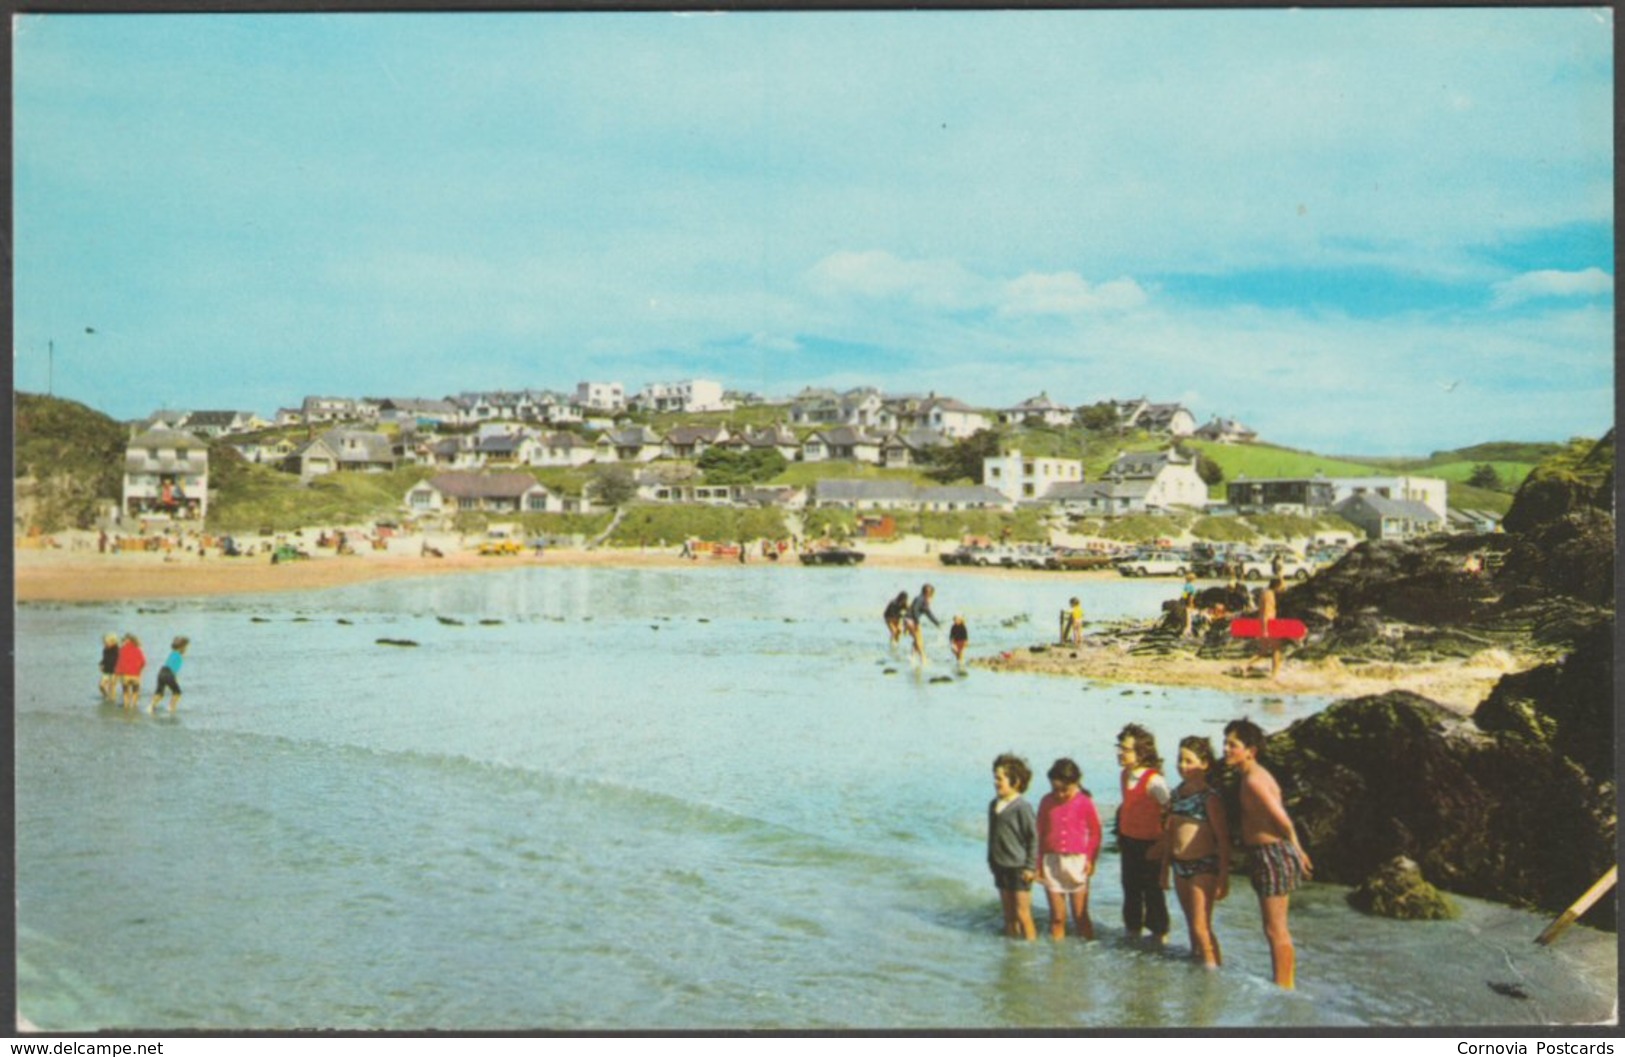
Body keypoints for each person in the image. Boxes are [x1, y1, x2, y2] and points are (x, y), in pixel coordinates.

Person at [1224, 718, 1313, 989]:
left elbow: (1282, 819)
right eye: (1225, 743)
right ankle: (1284, 984)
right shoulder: (1253, 774)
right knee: (1275, 928)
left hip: (1271, 854)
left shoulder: (1253, 780)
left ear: (1251, 750)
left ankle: (1284, 988)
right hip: (1269, 854)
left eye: (1233, 745)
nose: (1226, 749)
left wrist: (1297, 849)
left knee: (1276, 929)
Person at [1160, 735, 1231, 968]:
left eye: (1189, 761)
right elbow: (1170, 834)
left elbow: (1222, 840)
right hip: (1180, 867)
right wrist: (1164, 870)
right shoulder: (1177, 794)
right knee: (1192, 926)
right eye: (1180, 760)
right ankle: (1197, 971)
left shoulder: (1209, 798)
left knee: (1202, 927)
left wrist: (1223, 877)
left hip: (1204, 866)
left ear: (1205, 764)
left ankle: (1214, 975)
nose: (1182, 766)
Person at [1115, 723, 1171, 943]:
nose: (1120, 753)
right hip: (1128, 842)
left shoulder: (1154, 780)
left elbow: (1170, 810)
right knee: (1130, 888)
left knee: (1153, 893)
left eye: (1126, 749)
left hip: (1151, 845)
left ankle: (1160, 936)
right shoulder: (1124, 775)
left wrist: (1163, 845)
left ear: (1141, 752)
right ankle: (1132, 933)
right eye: (1119, 747)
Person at [1036, 758, 1102, 941]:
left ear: (1075, 783)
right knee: (1057, 918)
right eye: (1055, 789)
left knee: (1081, 917)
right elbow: (1039, 834)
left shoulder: (1084, 801)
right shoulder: (1046, 802)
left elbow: (1096, 833)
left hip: (1077, 863)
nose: (1060, 794)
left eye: (1065, 789)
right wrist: (1037, 864)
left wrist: (1090, 859)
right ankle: (1058, 964)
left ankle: (1089, 957)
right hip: (1052, 863)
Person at [987, 753, 1038, 941]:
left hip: (1018, 868)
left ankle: (1030, 953)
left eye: (999, 778)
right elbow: (993, 836)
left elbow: (1033, 838)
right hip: (1000, 866)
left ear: (1015, 781)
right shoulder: (993, 805)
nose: (995, 782)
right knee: (1008, 917)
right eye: (994, 777)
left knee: (1023, 915)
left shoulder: (1022, 807)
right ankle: (1013, 957)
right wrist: (991, 860)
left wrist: (1030, 867)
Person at [1243, 577, 1286, 680]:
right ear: (1277, 585)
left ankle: (1244, 665)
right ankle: (1274, 675)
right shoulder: (1269, 595)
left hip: (1264, 623)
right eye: (1282, 585)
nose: (1283, 587)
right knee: (1277, 649)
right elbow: (1267, 612)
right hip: (1269, 625)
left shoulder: (1265, 592)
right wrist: (1266, 630)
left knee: (1264, 651)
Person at [149, 636, 190, 713]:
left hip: (161, 672)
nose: (186, 649)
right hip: (169, 673)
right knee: (177, 693)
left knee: (159, 693)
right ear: (182, 648)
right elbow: (174, 671)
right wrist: (174, 679)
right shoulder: (179, 657)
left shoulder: (172, 653)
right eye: (186, 647)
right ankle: (171, 709)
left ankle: (151, 707)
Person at [904, 583, 940, 664]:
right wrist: (916, 622)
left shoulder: (922, 600)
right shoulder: (920, 599)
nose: (932, 597)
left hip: (909, 620)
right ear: (928, 594)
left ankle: (913, 657)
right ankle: (923, 659)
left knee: (917, 640)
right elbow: (914, 609)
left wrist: (937, 623)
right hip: (911, 620)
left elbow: (928, 613)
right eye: (932, 594)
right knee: (919, 640)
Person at [114, 633, 146, 710]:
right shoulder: (138, 649)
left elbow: (119, 662)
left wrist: (117, 673)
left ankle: (126, 706)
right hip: (135, 675)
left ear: (126, 641)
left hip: (125, 675)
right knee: (135, 692)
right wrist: (139, 670)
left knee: (125, 692)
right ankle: (133, 706)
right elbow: (143, 662)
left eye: (123, 641)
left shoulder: (122, 650)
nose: (122, 642)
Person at [98, 634, 120, 702]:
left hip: (115, 671)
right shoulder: (105, 650)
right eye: (104, 642)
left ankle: (112, 700)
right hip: (106, 670)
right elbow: (104, 659)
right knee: (101, 685)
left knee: (112, 686)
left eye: (106, 642)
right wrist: (101, 664)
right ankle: (106, 696)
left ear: (113, 642)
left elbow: (121, 660)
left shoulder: (118, 650)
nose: (105, 644)